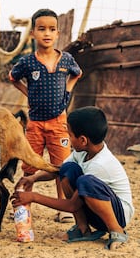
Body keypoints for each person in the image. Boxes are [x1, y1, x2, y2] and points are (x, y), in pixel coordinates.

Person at [11, 106, 134, 250]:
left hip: (118, 216)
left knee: (85, 182)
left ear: (82, 140)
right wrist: (33, 179)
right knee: (67, 169)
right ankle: (83, 229)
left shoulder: (100, 164)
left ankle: (117, 231)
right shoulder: (83, 152)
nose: (68, 139)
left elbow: (72, 205)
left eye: (70, 135)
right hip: (98, 210)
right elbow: (58, 170)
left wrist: (33, 197)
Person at [9, 8, 82, 223]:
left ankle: (64, 208)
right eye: (41, 29)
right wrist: (28, 94)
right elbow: (12, 78)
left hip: (59, 123)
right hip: (35, 124)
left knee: (62, 167)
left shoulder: (66, 60)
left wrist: (67, 90)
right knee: (30, 166)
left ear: (58, 33)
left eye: (51, 29)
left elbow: (78, 74)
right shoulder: (28, 62)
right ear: (33, 33)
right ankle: (23, 207)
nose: (47, 34)